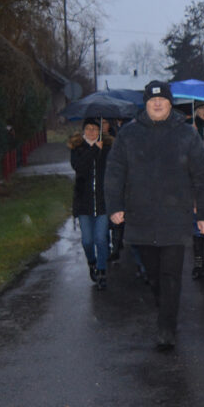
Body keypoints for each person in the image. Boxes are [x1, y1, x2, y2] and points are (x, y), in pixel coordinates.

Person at [105, 81, 204, 350]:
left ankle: (167, 328)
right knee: (153, 274)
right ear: (146, 103)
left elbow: (201, 175)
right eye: (152, 100)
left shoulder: (187, 134)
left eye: (162, 100)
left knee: (171, 275)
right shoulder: (129, 135)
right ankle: (165, 307)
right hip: (141, 217)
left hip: (175, 217)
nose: (157, 104)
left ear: (169, 103)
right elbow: (115, 173)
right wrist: (115, 206)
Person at [69, 118, 113, 290]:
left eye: (95, 129)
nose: (92, 132)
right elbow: (79, 167)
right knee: (87, 241)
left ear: (100, 131)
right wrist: (94, 149)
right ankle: (92, 262)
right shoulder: (77, 148)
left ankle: (101, 270)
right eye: (88, 128)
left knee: (101, 239)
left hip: (102, 202)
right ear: (83, 131)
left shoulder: (107, 148)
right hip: (84, 203)